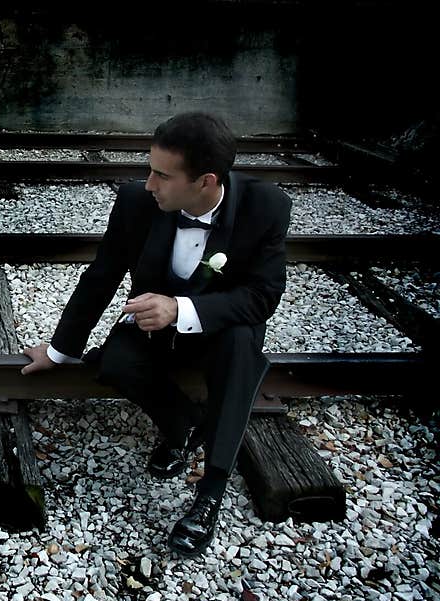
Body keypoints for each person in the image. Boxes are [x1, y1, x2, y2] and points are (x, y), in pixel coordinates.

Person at [22, 111, 291, 557]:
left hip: (220, 332)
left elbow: (263, 297)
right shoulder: (135, 202)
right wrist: (60, 350)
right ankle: (183, 426)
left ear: (205, 182)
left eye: (162, 175)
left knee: (243, 343)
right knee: (113, 361)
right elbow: (101, 275)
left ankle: (210, 494)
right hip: (156, 330)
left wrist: (182, 308)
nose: (149, 183)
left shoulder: (266, 207)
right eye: (149, 169)